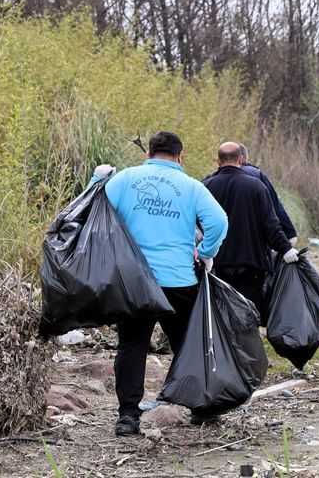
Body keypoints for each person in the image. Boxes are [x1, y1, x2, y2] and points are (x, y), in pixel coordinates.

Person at [93, 131, 228, 437]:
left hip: (134, 281)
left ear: (150, 152)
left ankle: (128, 416)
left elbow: (95, 210)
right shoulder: (192, 187)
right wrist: (204, 252)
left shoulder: (125, 179)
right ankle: (202, 408)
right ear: (180, 157)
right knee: (186, 345)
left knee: (132, 345)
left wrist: (97, 180)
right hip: (178, 280)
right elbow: (219, 222)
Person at [203, 142, 299, 313]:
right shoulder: (256, 186)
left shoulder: (206, 187)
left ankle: (224, 340)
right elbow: (270, 225)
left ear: (218, 161)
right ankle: (246, 339)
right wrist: (286, 249)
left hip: (218, 263)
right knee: (248, 312)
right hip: (251, 263)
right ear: (241, 159)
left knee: (222, 312)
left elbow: (195, 226)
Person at [234, 144, 298, 245]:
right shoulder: (256, 175)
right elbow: (273, 203)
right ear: (244, 158)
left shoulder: (212, 178)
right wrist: (290, 232)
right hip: (254, 237)